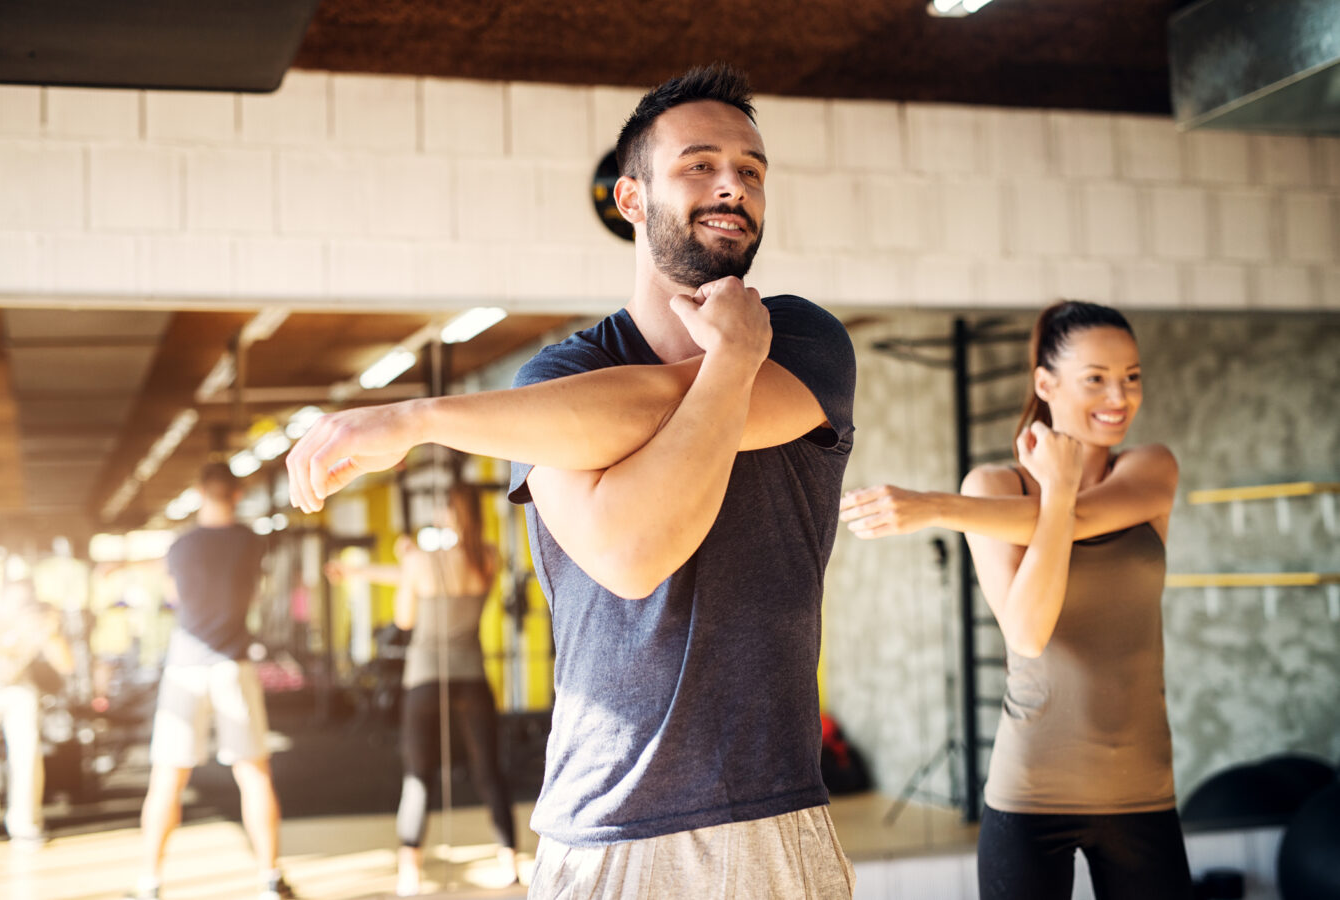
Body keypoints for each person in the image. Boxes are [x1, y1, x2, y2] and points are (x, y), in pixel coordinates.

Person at [286, 63, 857, 898]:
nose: (731, 184)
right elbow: (631, 554)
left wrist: (422, 418)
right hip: (603, 824)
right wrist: (733, 363)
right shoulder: (561, 377)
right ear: (630, 199)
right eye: (699, 164)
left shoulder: (801, 339)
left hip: (773, 818)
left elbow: (653, 406)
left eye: (751, 170)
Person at [841, 300, 1192, 900]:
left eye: (1132, 377)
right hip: (1030, 793)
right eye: (1097, 378)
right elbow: (1028, 633)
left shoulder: (1150, 468)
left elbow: (1080, 516)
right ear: (1045, 383)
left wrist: (933, 507)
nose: (1120, 397)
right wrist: (1052, 492)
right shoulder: (993, 487)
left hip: (1142, 792)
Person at [327, 484, 518, 895]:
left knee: (418, 776)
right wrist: (369, 570)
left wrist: (408, 563)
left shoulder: (421, 561)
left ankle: (409, 872)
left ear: (449, 513)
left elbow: (406, 618)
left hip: (425, 680)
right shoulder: (487, 557)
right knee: (489, 771)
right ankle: (509, 861)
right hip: (472, 678)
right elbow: (424, 573)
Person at [124, 462, 295, 900]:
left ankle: (149, 882)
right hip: (232, 665)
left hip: (185, 665)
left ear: (199, 492)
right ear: (236, 495)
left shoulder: (179, 547)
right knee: (254, 773)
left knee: (167, 777)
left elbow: (174, 597)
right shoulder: (251, 543)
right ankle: (270, 879)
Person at [0, 579, 74, 848]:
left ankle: (25, 824)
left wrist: (51, 634)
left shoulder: (40, 621)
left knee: (27, 753)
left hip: (19, 688)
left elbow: (66, 665)